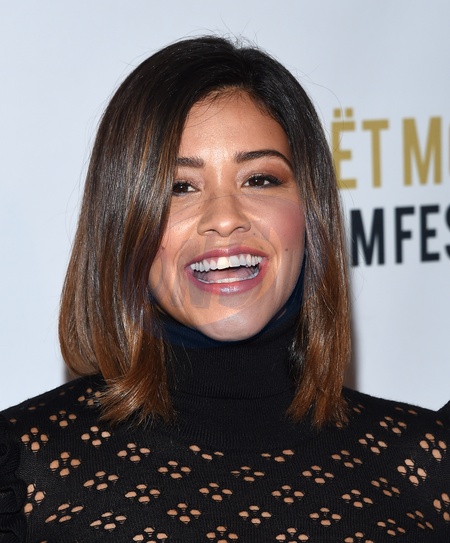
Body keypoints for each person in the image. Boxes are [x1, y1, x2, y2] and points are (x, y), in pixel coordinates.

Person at [1, 36, 449, 543]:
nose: (225, 218)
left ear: (311, 211)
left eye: (259, 179)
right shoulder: (24, 476)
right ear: (123, 224)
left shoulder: (427, 467)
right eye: (180, 187)